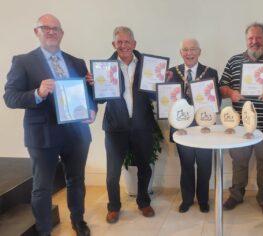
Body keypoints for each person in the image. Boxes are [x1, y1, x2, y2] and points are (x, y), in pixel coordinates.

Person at [3, 14, 95, 236]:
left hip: (76, 134)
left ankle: (78, 221)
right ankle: (44, 230)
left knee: (76, 180)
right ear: (37, 32)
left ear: (62, 33)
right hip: (42, 135)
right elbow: (10, 97)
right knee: (42, 187)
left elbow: (87, 96)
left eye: (56, 29)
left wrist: (92, 109)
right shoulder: (23, 61)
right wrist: (38, 93)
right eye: (46, 28)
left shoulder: (77, 62)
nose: (52, 32)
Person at [86, 26, 157, 223]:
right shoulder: (103, 68)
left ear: (134, 44)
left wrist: (162, 82)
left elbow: (155, 95)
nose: (123, 45)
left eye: (127, 42)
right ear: (113, 44)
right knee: (112, 172)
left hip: (142, 126)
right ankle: (114, 207)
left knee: (145, 167)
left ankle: (143, 201)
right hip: (115, 127)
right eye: (119, 42)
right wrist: (93, 85)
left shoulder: (148, 65)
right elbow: (99, 100)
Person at [219, 22, 263, 217]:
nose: (254, 41)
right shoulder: (234, 61)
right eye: (251, 38)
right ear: (246, 40)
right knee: (239, 162)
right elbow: (221, 87)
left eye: (258, 37)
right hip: (240, 127)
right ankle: (236, 195)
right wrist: (231, 92)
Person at [167, 38, 219, 213]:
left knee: (204, 166)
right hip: (182, 129)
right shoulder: (171, 73)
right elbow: (164, 98)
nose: (189, 53)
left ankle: (203, 199)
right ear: (181, 52)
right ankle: (187, 199)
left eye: (193, 49)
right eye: (185, 50)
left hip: (204, 127)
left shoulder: (210, 72)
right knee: (187, 165)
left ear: (199, 52)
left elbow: (215, 101)